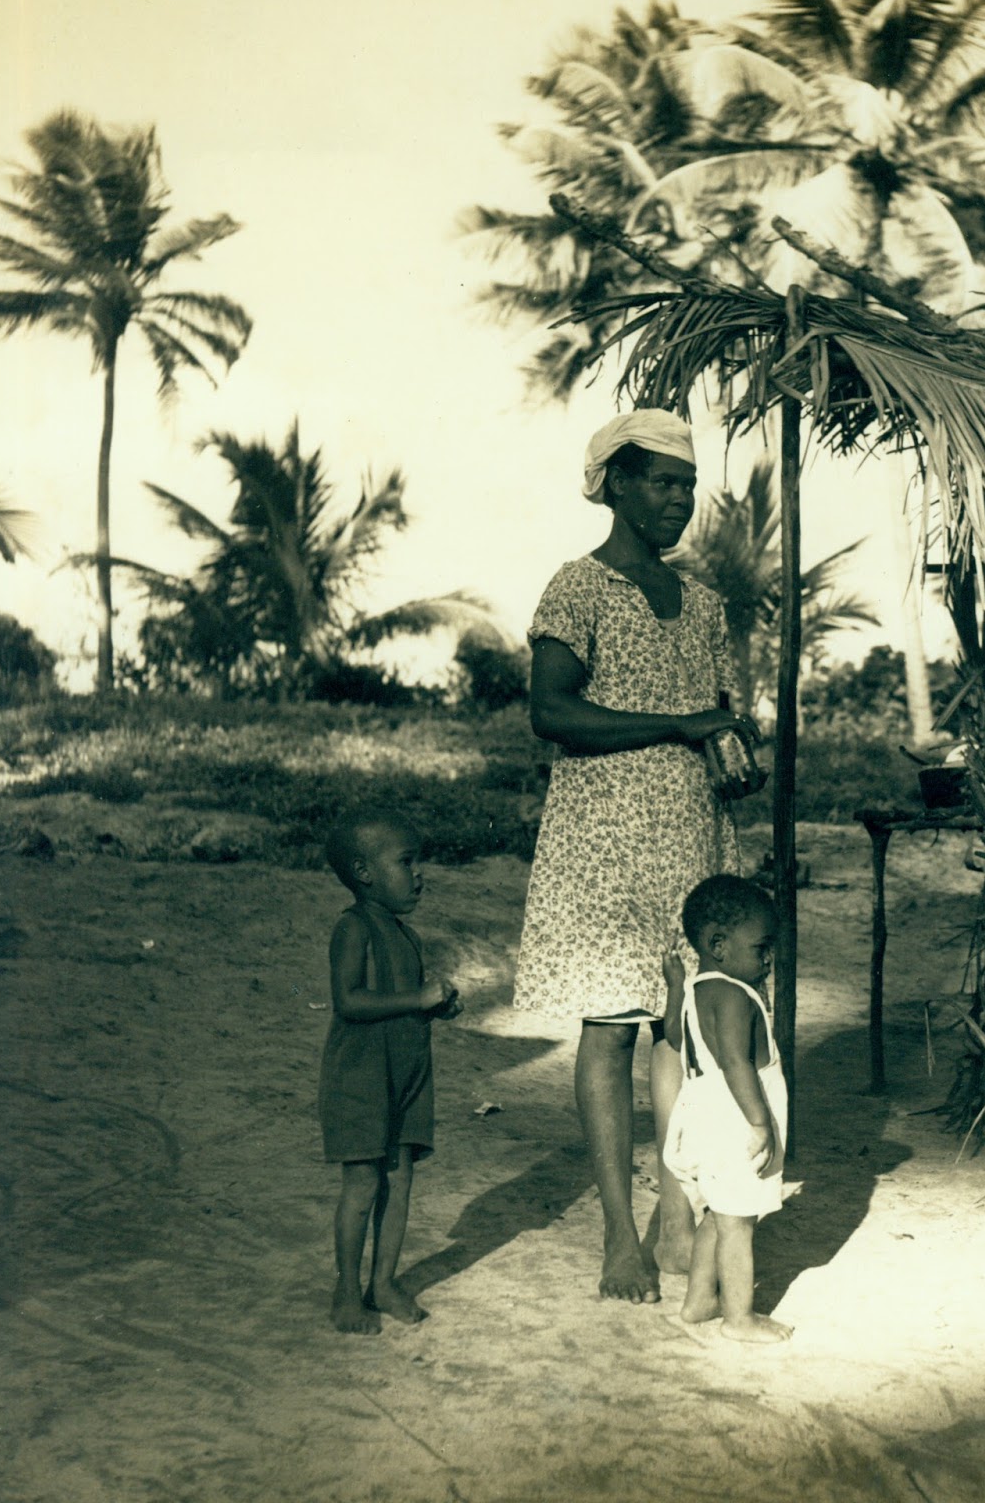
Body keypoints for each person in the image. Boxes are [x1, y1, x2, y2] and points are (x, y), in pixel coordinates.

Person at [515, 408, 760, 1304]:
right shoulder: (576, 589)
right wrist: (679, 725)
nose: (676, 502)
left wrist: (731, 745)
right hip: (601, 841)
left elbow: (717, 706)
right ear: (614, 483)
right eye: (660, 483)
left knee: (685, 1026)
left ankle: (674, 1210)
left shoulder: (701, 603)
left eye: (687, 488)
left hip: (691, 837)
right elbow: (551, 711)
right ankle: (621, 1235)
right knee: (612, 1025)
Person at [318, 811, 460, 1333]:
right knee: (362, 1185)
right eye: (406, 862)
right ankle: (347, 1290)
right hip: (359, 1077)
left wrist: (435, 1007)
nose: (419, 873)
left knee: (399, 1181)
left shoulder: (407, 937)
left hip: (406, 1074)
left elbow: (402, 1004)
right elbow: (348, 1001)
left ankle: (384, 1282)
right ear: (364, 871)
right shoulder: (352, 928)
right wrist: (416, 997)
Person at [661, 874, 791, 1343]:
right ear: (719, 944)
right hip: (736, 1117)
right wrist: (760, 1121)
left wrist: (674, 986)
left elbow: (675, 1039)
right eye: (761, 948)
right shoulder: (735, 994)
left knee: (719, 1212)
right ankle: (740, 1319)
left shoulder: (699, 988)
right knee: (739, 1223)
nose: (769, 958)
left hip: (705, 1112)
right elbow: (737, 1062)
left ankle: (698, 1304)